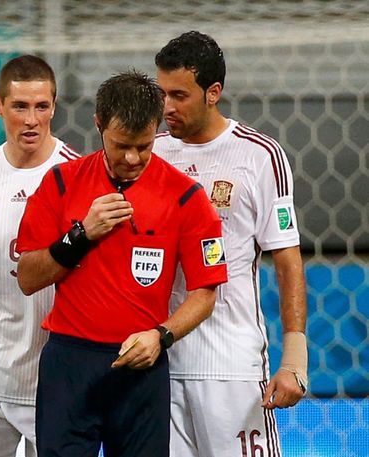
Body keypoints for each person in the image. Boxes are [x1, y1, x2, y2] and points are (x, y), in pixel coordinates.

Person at [15, 70, 228, 457]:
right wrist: (80, 235)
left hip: (141, 366)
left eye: (144, 146)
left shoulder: (186, 198)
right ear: (98, 125)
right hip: (70, 364)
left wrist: (161, 336)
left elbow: (204, 294)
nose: (132, 158)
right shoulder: (61, 183)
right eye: (121, 145)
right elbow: (28, 278)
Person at [154, 31, 308, 457]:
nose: (166, 107)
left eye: (179, 95)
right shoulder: (150, 153)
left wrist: (294, 359)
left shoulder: (259, 155)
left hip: (232, 367)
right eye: (162, 93)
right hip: (159, 363)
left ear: (213, 93)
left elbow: (287, 258)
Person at [0, 54, 79, 457]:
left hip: (57, 380)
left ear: (55, 107)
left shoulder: (80, 178)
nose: (31, 120)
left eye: (41, 107)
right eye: (20, 107)